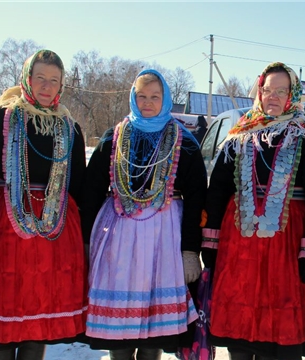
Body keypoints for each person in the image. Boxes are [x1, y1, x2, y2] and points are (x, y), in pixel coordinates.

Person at [201, 62, 305, 360]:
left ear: (293, 94)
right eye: (267, 90)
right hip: (239, 248)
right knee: (239, 336)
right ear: (259, 92)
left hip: (289, 250)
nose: (273, 97)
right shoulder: (239, 135)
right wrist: (211, 241)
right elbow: (218, 190)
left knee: (280, 338)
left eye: (281, 91)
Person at [0, 50, 88, 360]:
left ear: (61, 85)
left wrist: (85, 243)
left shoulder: (70, 129)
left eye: (53, 80)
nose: (46, 86)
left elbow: (81, 188)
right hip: (3, 233)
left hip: (53, 238)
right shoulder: (2, 118)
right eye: (40, 78)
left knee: (36, 324)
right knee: (2, 324)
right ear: (27, 79)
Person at [81, 69, 207, 360]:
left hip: (165, 238)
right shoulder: (113, 138)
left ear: (165, 100)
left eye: (154, 96)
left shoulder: (183, 142)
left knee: (155, 332)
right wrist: (87, 242)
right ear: (132, 98)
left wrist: (190, 250)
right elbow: (91, 191)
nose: (147, 102)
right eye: (141, 96)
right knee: (119, 330)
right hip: (119, 237)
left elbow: (197, 197)